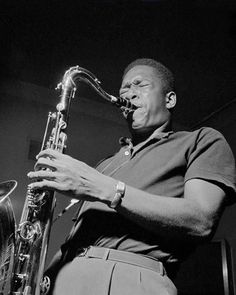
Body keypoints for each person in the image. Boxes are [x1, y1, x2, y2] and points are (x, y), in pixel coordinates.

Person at [28, 58, 236, 295]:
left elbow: (201, 220)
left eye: (140, 85)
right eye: (124, 89)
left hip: (131, 280)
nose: (129, 94)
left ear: (170, 99)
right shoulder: (106, 163)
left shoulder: (201, 140)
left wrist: (103, 187)